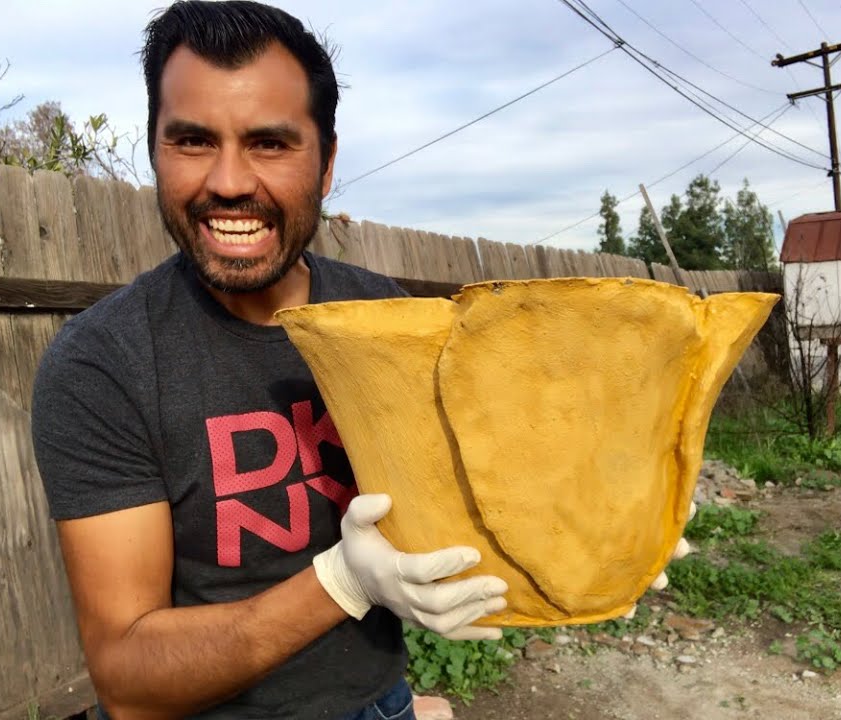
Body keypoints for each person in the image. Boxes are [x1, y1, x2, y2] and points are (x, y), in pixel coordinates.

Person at [30, 2, 508, 718]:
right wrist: (343, 583)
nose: (227, 181)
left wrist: (610, 516)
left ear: (327, 161)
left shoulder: (386, 321)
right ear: (155, 148)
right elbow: (127, 680)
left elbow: (468, 492)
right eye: (193, 140)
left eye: (270, 144)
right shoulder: (104, 366)